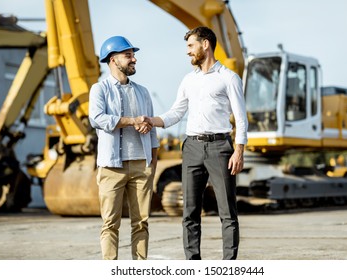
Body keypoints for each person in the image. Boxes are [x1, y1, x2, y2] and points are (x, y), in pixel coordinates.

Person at [151, 26, 248, 260]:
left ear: (205, 44)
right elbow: (176, 113)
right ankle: (193, 265)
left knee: (227, 212)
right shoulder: (188, 80)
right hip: (192, 147)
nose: (188, 52)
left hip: (219, 148)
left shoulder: (228, 78)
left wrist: (239, 151)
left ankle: (228, 265)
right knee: (190, 211)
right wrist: (151, 121)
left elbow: (241, 118)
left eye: (191, 45)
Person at [89, 35, 159, 260]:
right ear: (112, 59)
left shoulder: (143, 92)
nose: (134, 59)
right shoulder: (99, 90)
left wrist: (153, 164)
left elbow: (152, 130)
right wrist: (133, 120)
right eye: (128, 55)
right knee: (110, 223)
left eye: (133, 55)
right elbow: (98, 119)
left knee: (141, 223)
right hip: (111, 167)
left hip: (141, 166)